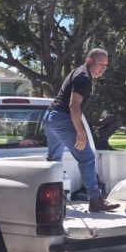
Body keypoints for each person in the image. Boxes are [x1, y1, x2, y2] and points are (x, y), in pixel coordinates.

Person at [45, 48, 119, 212]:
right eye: (101, 64)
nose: (103, 69)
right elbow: (74, 105)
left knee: (53, 161)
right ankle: (96, 199)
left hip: (51, 117)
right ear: (90, 61)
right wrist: (80, 132)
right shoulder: (84, 78)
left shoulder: (78, 72)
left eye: (106, 65)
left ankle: (50, 201)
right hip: (62, 119)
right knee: (87, 158)